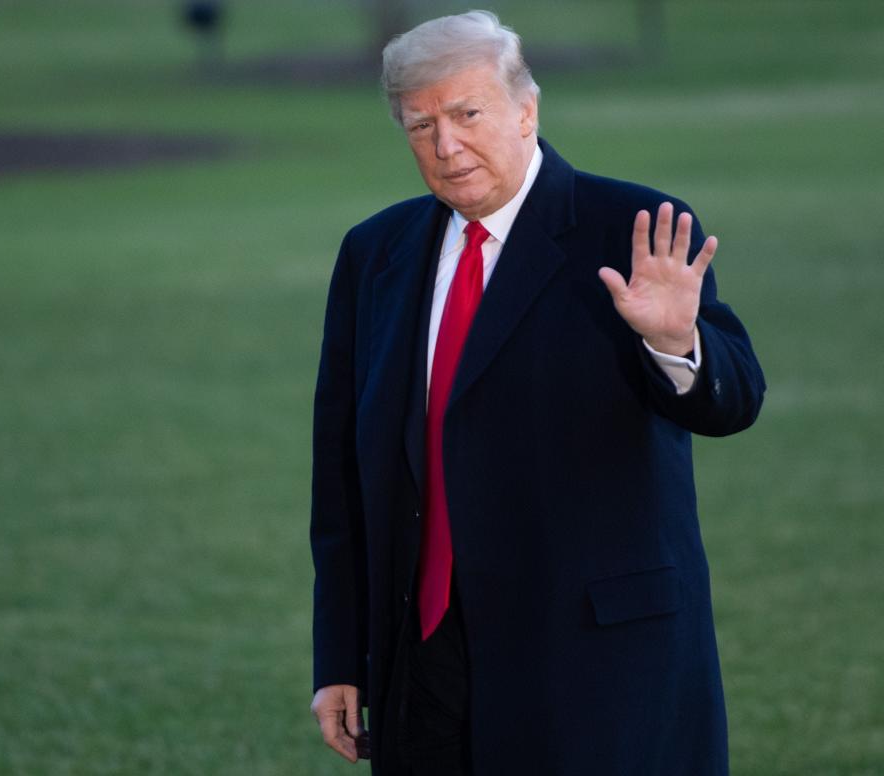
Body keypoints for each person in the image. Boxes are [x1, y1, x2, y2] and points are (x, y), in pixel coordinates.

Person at [308, 10, 765, 775]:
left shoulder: (634, 227)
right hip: (422, 666)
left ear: (527, 110)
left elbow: (732, 399)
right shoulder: (374, 254)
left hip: (592, 666)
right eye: (421, 126)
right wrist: (340, 654)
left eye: (467, 114)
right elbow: (343, 477)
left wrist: (674, 343)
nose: (446, 146)